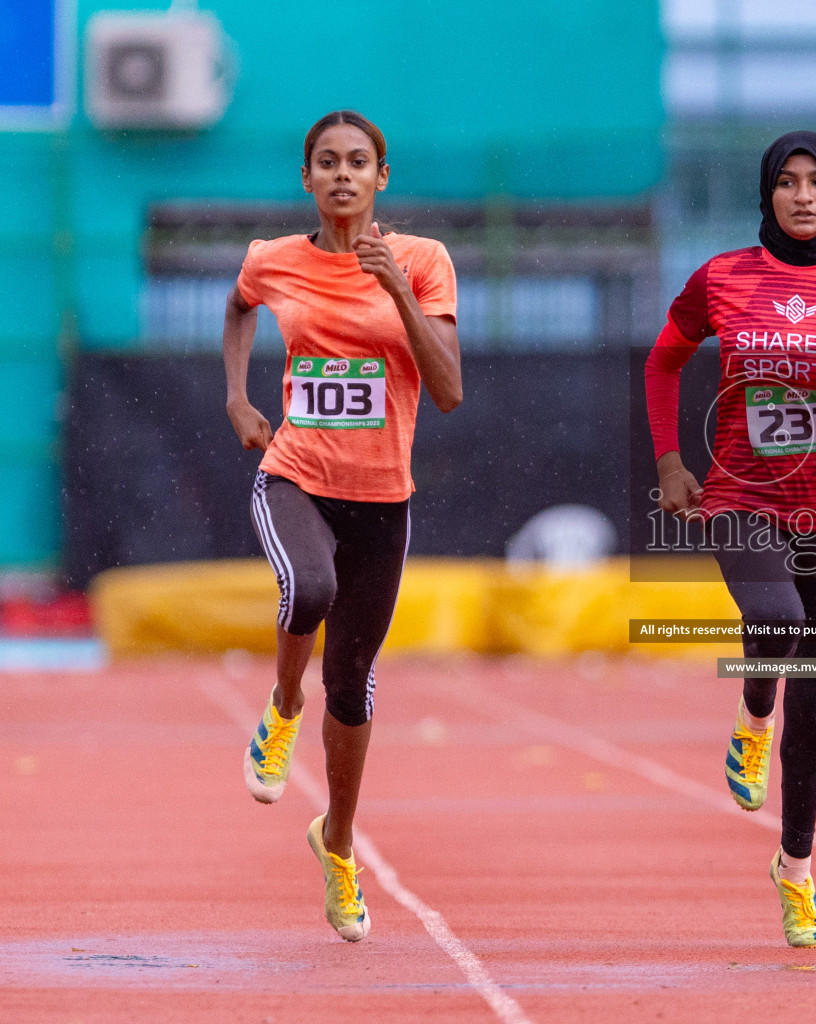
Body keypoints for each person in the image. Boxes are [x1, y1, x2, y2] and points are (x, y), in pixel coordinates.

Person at [644, 131, 816, 947]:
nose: (802, 196)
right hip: (740, 498)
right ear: (768, 195)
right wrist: (669, 463)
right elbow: (663, 362)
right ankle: (755, 709)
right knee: (780, 622)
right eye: (787, 182)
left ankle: (795, 868)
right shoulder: (722, 277)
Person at [222, 110, 462, 941]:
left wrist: (394, 284)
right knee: (309, 585)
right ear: (307, 178)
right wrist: (236, 396)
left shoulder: (425, 262)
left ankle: (338, 844)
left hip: (382, 499)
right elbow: (238, 306)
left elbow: (450, 390)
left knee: (354, 687)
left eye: (358, 162)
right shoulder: (274, 259)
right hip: (295, 474)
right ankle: (283, 704)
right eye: (326, 163)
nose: (342, 176)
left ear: (382, 177)